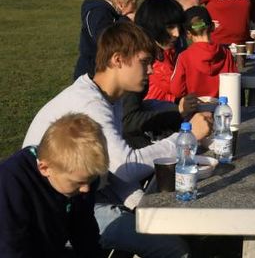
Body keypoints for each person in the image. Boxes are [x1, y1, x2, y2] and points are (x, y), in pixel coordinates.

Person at [24, 21, 207, 257]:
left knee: (165, 231)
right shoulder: (90, 104)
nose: (151, 70)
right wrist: (187, 136)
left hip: (85, 196)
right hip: (60, 211)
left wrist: (146, 206)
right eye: (144, 62)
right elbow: (124, 167)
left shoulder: (109, 97)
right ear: (117, 60)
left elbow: (113, 170)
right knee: (171, 248)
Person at [1, 113, 108, 257]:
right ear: (45, 169)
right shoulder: (12, 182)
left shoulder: (82, 177)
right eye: (79, 183)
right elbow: (11, 247)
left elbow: (83, 230)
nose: (86, 188)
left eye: (91, 180)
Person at [73, 0, 142, 80]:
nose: (134, 10)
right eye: (133, 6)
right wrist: (126, 20)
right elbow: (104, 39)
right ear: (121, 4)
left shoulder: (110, 14)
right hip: (91, 74)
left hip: (102, 71)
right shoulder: (98, 12)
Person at [170, 6, 237, 99]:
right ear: (213, 27)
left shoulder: (184, 57)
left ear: (188, 34)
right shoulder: (226, 53)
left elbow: (176, 90)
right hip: (222, 108)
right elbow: (235, 83)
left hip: (195, 109)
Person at [135, 0, 183, 103]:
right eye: (170, 27)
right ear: (153, 26)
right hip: (154, 116)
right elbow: (179, 88)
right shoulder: (151, 59)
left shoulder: (167, 50)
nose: (177, 33)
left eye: (179, 26)